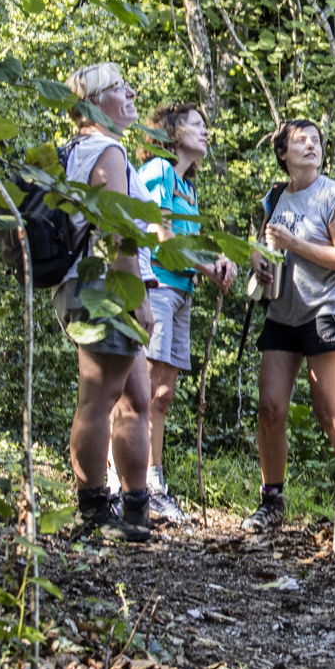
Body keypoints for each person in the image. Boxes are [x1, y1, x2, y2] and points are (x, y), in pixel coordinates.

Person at [53, 63, 156, 543]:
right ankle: (93, 510)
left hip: (97, 287)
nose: (130, 92)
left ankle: (135, 511)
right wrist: (138, 299)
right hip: (104, 290)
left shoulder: (85, 150)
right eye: (119, 87)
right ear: (94, 102)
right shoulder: (104, 150)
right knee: (99, 399)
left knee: (136, 399)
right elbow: (116, 230)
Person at [245, 118, 335, 533]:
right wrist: (259, 260)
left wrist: (294, 244)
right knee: (270, 406)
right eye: (301, 140)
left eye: (316, 140)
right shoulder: (275, 197)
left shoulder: (333, 196)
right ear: (283, 153)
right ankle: (271, 501)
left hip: (325, 309)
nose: (311, 145)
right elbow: (262, 245)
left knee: (329, 410)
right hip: (283, 311)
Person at [134, 102, 237, 524]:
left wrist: (218, 261)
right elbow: (160, 234)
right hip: (156, 287)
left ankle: (153, 483)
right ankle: (134, 487)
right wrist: (209, 267)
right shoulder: (159, 171)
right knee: (142, 393)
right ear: (173, 131)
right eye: (197, 124)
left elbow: (189, 242)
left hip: (181, 292)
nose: (205, 131)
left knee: (162, 395)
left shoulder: (187, 187)